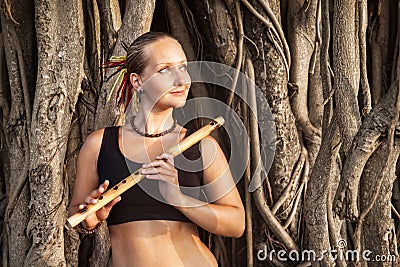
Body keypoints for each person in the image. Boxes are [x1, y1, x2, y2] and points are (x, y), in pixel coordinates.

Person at [68, 31, 245, 267]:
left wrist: (178, 198)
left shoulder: (202, 146)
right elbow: (78, 217)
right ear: (137, 81)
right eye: (165, 70)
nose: (181, 80)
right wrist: (93, 219)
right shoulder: (99, 145)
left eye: (183, 67)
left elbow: (237, 224)